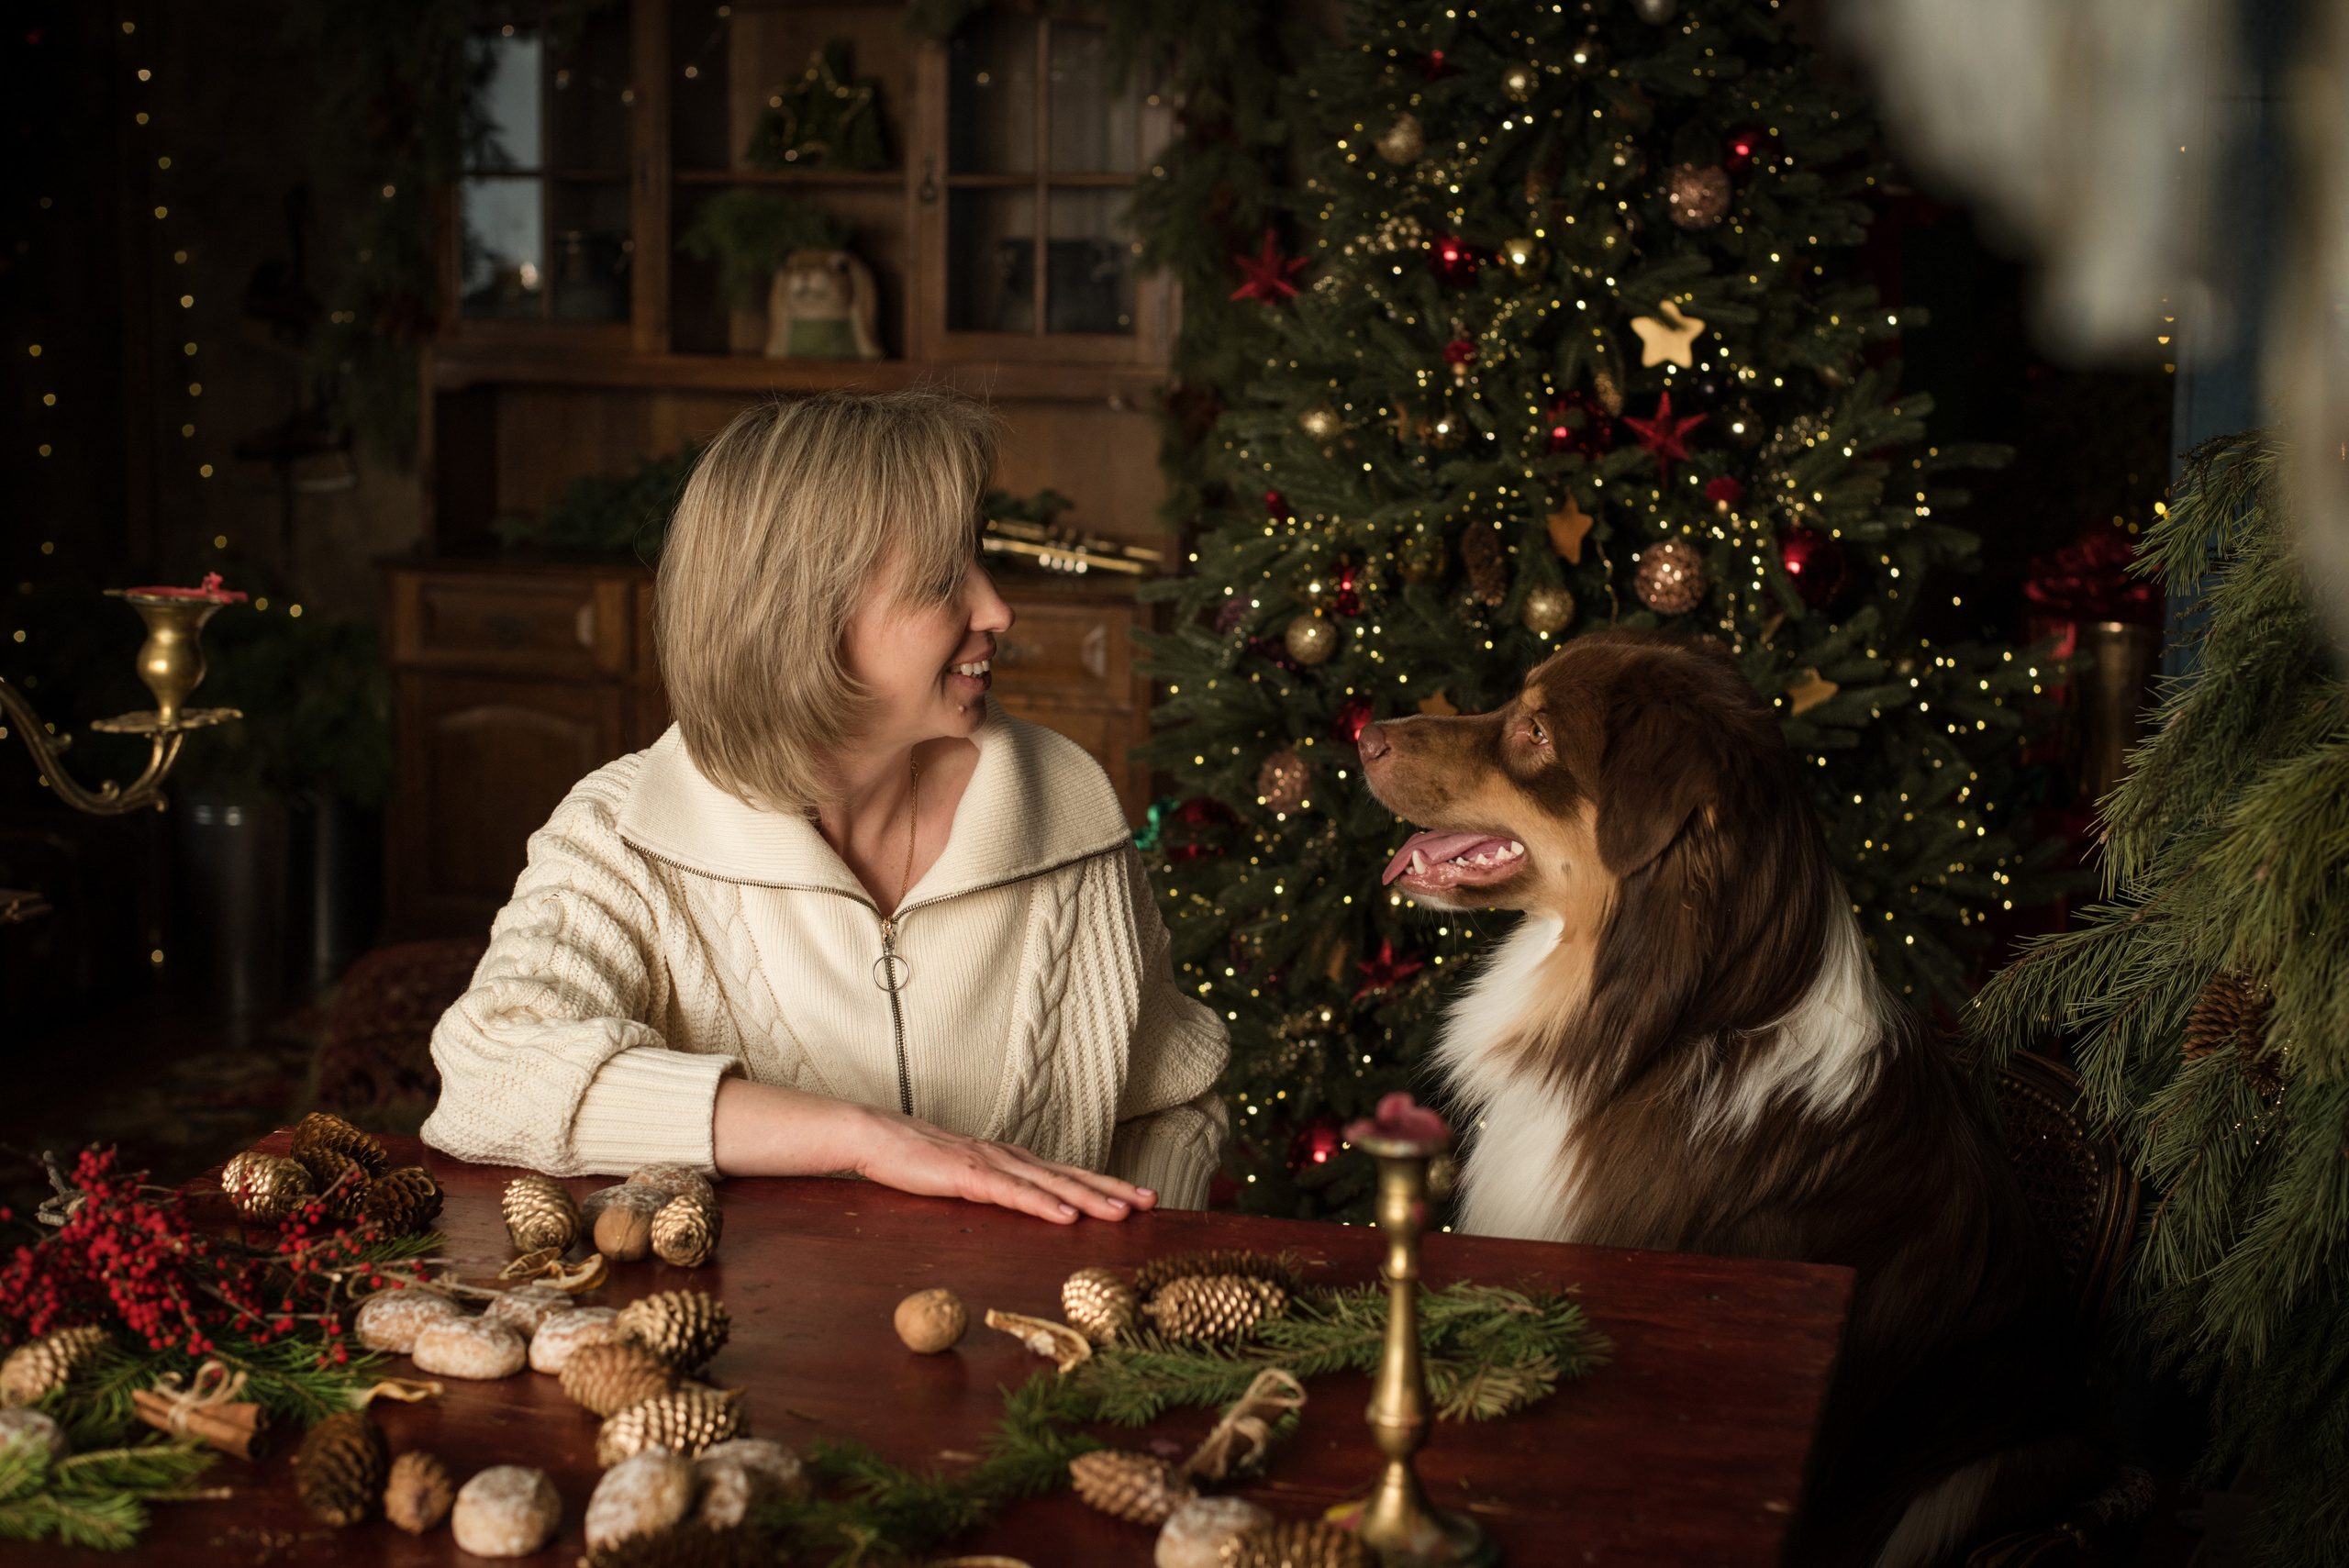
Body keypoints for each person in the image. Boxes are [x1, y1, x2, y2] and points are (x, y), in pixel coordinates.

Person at [420, 390, 1229, 1222]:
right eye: (946, 578)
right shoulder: (621, 833)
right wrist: (867, 1137)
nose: (997, 610)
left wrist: (1130, 1275)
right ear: (802, 612)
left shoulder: (1067, 809)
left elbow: (1169, 1098)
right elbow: (494, 1075)